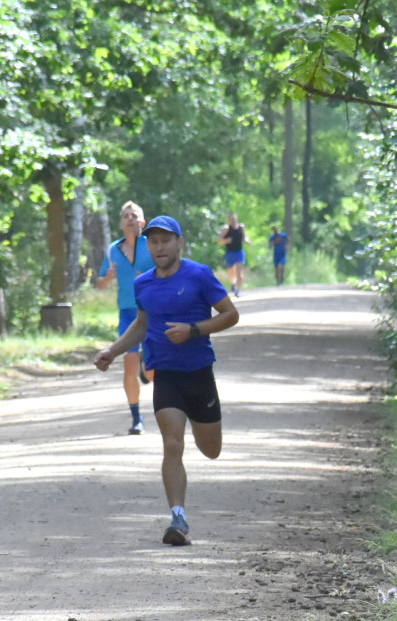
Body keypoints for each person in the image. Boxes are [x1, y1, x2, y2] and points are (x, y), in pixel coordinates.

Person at [94, 215, 239, 546]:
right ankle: (179, 519)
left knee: (211, 449)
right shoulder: (143, 283)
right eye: (153, 242)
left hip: (200, 374)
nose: (159, 247)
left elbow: (231, 314)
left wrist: (194, 330)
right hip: (167, 376)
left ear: (179, 243)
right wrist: (113, 351)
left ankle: (182, 507)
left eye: (165, 241)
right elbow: (142, 325)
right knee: (172, 444)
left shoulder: (199, 275)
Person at [97, 201, 156, 435]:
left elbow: (166, 273)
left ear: (143, 222)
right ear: (121, 223)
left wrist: (150, 277)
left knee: (152, 372)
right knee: (128, 365)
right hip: (128, 313)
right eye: (126, 216)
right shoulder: (113, 250)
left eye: (135, 215)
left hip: (152, 312)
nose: (130, 218)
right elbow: (101, 285)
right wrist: (108, 278)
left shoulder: (152, 245)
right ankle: (136, 418)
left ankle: (147, 367)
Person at [217, 211, 250, 297]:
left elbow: (245, 236)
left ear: (237, 218)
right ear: (229, 220)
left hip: (239, 252)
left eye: (235, 219)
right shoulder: (226, 228)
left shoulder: (241, 227)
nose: (233, 221)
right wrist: (226, 240)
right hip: (230, 253)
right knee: (231, 272)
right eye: (231, 219)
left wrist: (247, 240)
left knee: (239, 272)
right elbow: (219, 240)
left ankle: (238, 290)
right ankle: (233, 284)